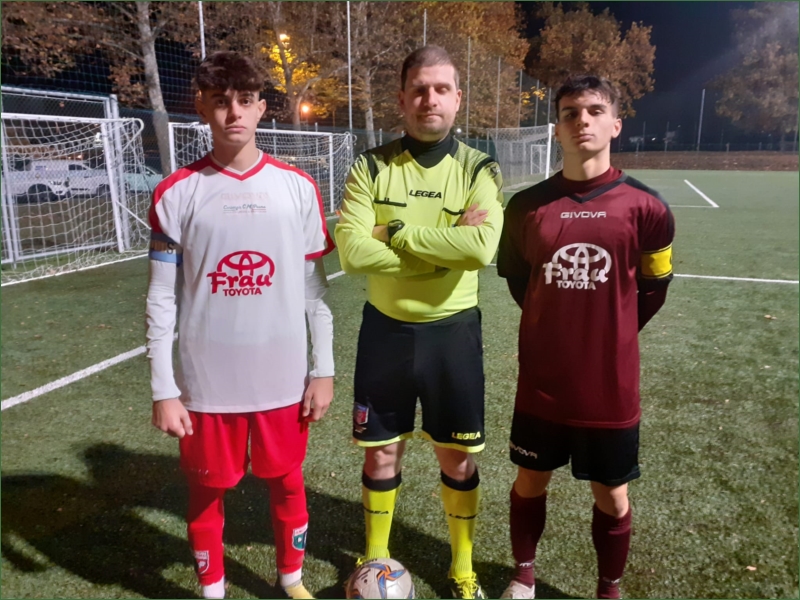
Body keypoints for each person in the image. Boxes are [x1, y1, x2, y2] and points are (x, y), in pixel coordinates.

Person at [145, 51, 335, 600]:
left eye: (245, 101)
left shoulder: (297, 186)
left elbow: (315, 292)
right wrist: (164, 389)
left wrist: (323, 369)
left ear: (261, 108)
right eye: (221, 101)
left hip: (282, 378)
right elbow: (160, 297)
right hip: (207, 385)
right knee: (205, 494)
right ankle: (213, 591)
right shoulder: (177, 192)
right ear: (201, 107)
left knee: (288, 483)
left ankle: (291, 580)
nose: (234, 113)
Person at [334, 45, 504, 599]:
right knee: (381, 450)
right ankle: (375, 556)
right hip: (386, 331)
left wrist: (397, 233)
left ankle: (463, 570)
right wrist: (441, 249)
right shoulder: (370, 165)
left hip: (453, 333)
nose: (430, 99)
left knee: (457, 456)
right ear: (402, 99)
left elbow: (480, 248)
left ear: (457, 98)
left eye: (441, 89)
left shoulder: (479, 166)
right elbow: (352, 253)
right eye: (419, 89)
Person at [496, 75, 675, 599]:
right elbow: (519, 281)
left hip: (609, 386)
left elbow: (655, 288)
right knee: (530, 479)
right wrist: (557, 323)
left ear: (616, 124)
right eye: (570, 113)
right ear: (557, 128)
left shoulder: (647, 207)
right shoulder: (525, 207)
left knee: (612, 495)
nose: (582, 121)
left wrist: (609, 331)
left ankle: (608, 590)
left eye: (595, 111)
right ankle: (523, 576)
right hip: (543, 382)